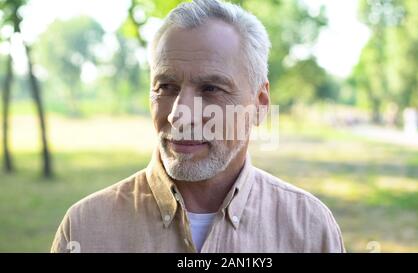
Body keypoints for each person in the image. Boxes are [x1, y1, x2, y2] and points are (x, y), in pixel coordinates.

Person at [51, 0, 344, 253]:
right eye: (166, 86)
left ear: (259, 103)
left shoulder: (309, 228)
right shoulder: (85, 229)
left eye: (211, 88)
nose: (180, 114)